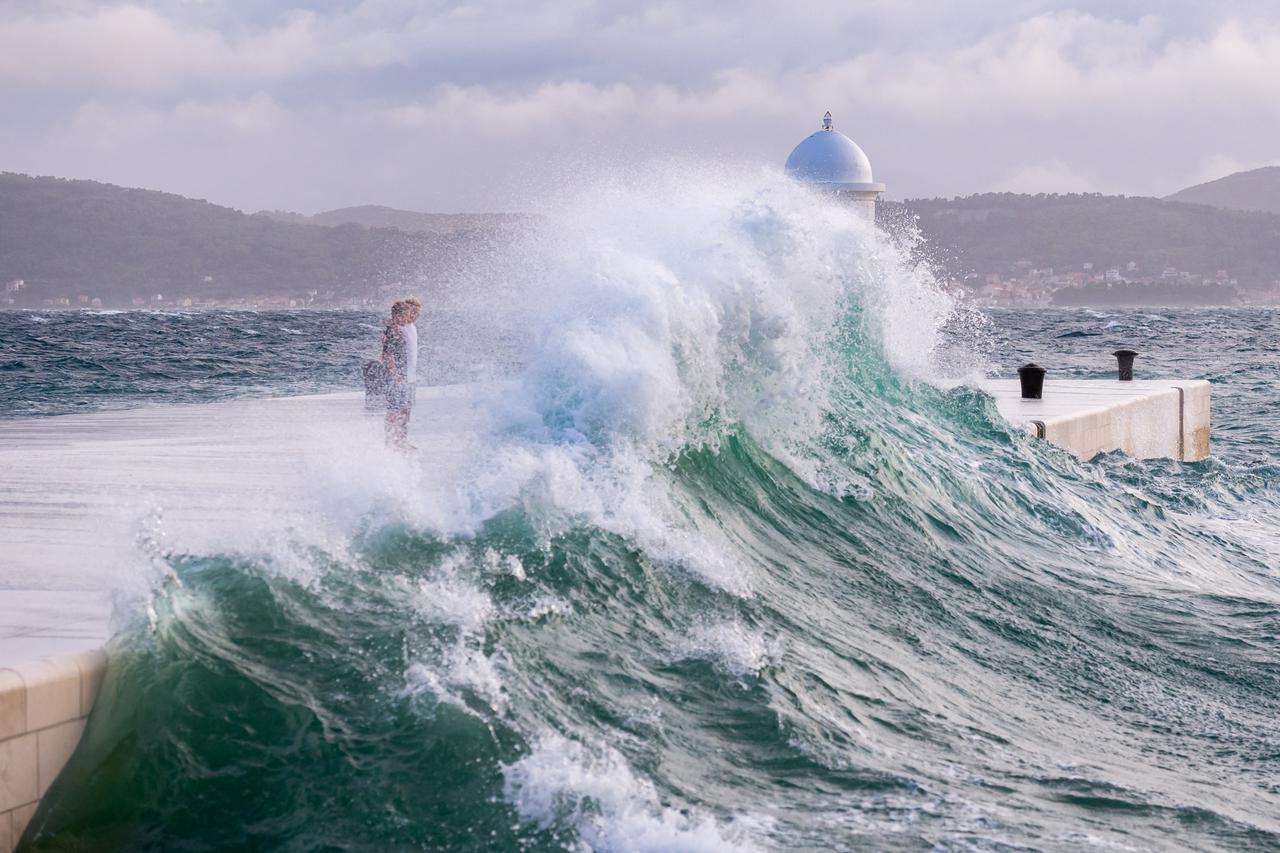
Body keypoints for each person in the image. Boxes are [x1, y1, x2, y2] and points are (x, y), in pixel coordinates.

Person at [381, 296, 421, 449]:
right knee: (394, 411)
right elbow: (388, 353)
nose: (416, 315)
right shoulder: (397, 328)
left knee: (406, 412)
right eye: (413, 312)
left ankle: (401, 440)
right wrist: (395, 374)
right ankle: (390, 441)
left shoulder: (411, 326)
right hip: (399, 377)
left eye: (418, 312)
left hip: (410, 377)